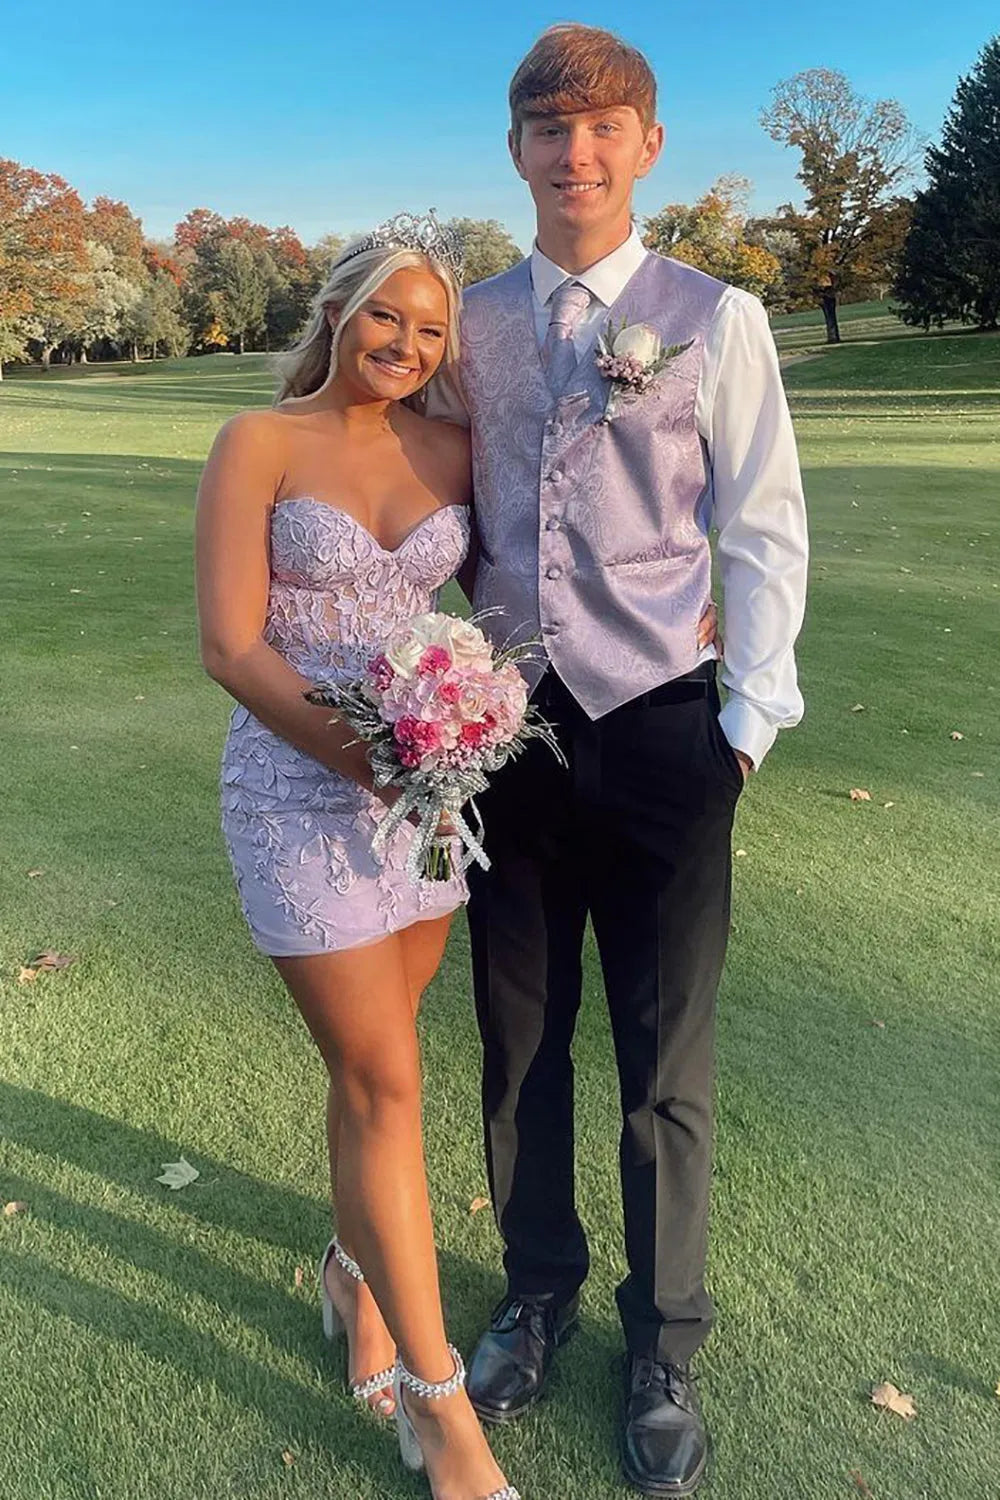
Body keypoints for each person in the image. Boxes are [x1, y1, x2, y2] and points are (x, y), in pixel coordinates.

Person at [448, 25, 809, 1497]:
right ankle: (536, 1292)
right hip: (505, 738)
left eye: (602, 126)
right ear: (516, 149)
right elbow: (434, 506)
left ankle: (663, 1341)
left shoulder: (716, 316)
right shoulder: (466, 321)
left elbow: (762, 524)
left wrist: (746, 728)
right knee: (519, 1042)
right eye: (549, 127)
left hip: (664, 730)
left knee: (665, 1060)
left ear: (647, 145)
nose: (574, 151)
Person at [194, 218, 522, 1500]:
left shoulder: (453, 448)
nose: (407, 344)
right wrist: (364, 760)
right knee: (387, 1081)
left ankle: (353, 1275)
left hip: (426, 803)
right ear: (338, 313)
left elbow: (521, 578)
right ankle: (442, 1413)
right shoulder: (259, 442)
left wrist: (682, 607)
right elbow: (231, 646)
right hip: (297, 794)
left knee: (372, 1065)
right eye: (387, 315)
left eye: (431, 329)